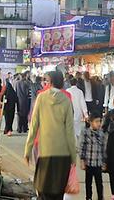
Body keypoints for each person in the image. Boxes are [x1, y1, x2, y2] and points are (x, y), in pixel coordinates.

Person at [24, 71, 75, 200]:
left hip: (46, 152)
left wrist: (27, 151)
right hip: (63, 154)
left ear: (51, 82)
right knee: (58, 192)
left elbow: (34, 126)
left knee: (43, 190)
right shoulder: (67, 100)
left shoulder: (41, 97)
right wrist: (73, 156)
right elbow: (70, 131)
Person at [80, 112, 105, 200]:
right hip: (89, 162)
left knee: (99, 183)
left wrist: (104, 162)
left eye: (100, 121)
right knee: (88, 182)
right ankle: (88, 197)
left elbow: (103, 148)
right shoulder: (85, 132)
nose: (99, 124)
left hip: (98, 163)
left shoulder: (101, 133)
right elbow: (82, 147)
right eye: (96, 121)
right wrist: (82, 161)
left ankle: (100, 197)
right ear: (90, 122)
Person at [67, 77, 88, 142]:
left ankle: (73, 145)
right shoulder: (80, 92)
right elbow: (83, 103)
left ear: (70, 83)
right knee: (78, 130)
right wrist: (86, 115)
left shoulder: (67, 91)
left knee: (71, 130)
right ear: (76, 83)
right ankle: (79, 144)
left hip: (70, 113)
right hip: (79, 114)